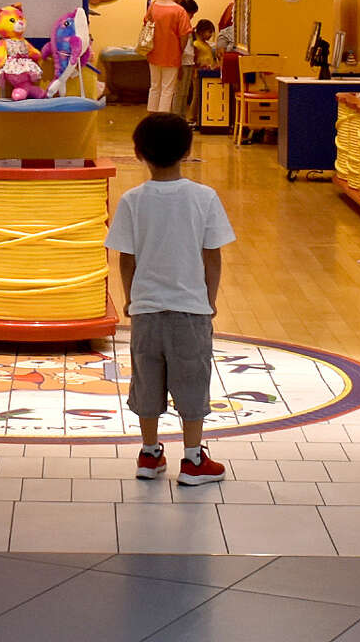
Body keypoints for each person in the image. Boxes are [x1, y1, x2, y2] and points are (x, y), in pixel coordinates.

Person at [107, 112, 234, 486]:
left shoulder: (132, 200)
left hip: (147, 310)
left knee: (147, 382)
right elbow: (212, 254)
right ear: (188, 151)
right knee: (192, 380)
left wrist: (131, 299)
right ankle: (193, 460)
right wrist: (208, 299)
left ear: (138, 152)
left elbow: (126, 257)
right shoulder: (204, 197)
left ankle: (149, 455)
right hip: (191, 311)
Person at [145, 0, 195, 113]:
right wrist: (180, 52)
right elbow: (184, 36)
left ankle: (152, 117)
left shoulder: (154, 5)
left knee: (154, 86)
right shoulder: (180, 11)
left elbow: (146, 25)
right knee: (167, 89)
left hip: (153, 52)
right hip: (171, 55)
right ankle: (163, 119)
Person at [174, 0, 201, 117]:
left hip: (188, 61)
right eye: (191, 13)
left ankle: (181, 117)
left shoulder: (187, 24)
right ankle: (175, 117)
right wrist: (178, 64)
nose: (192, 16)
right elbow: (177, 46)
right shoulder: (178, 23)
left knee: (184, 93)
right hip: (182, 62)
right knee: (179, 93)